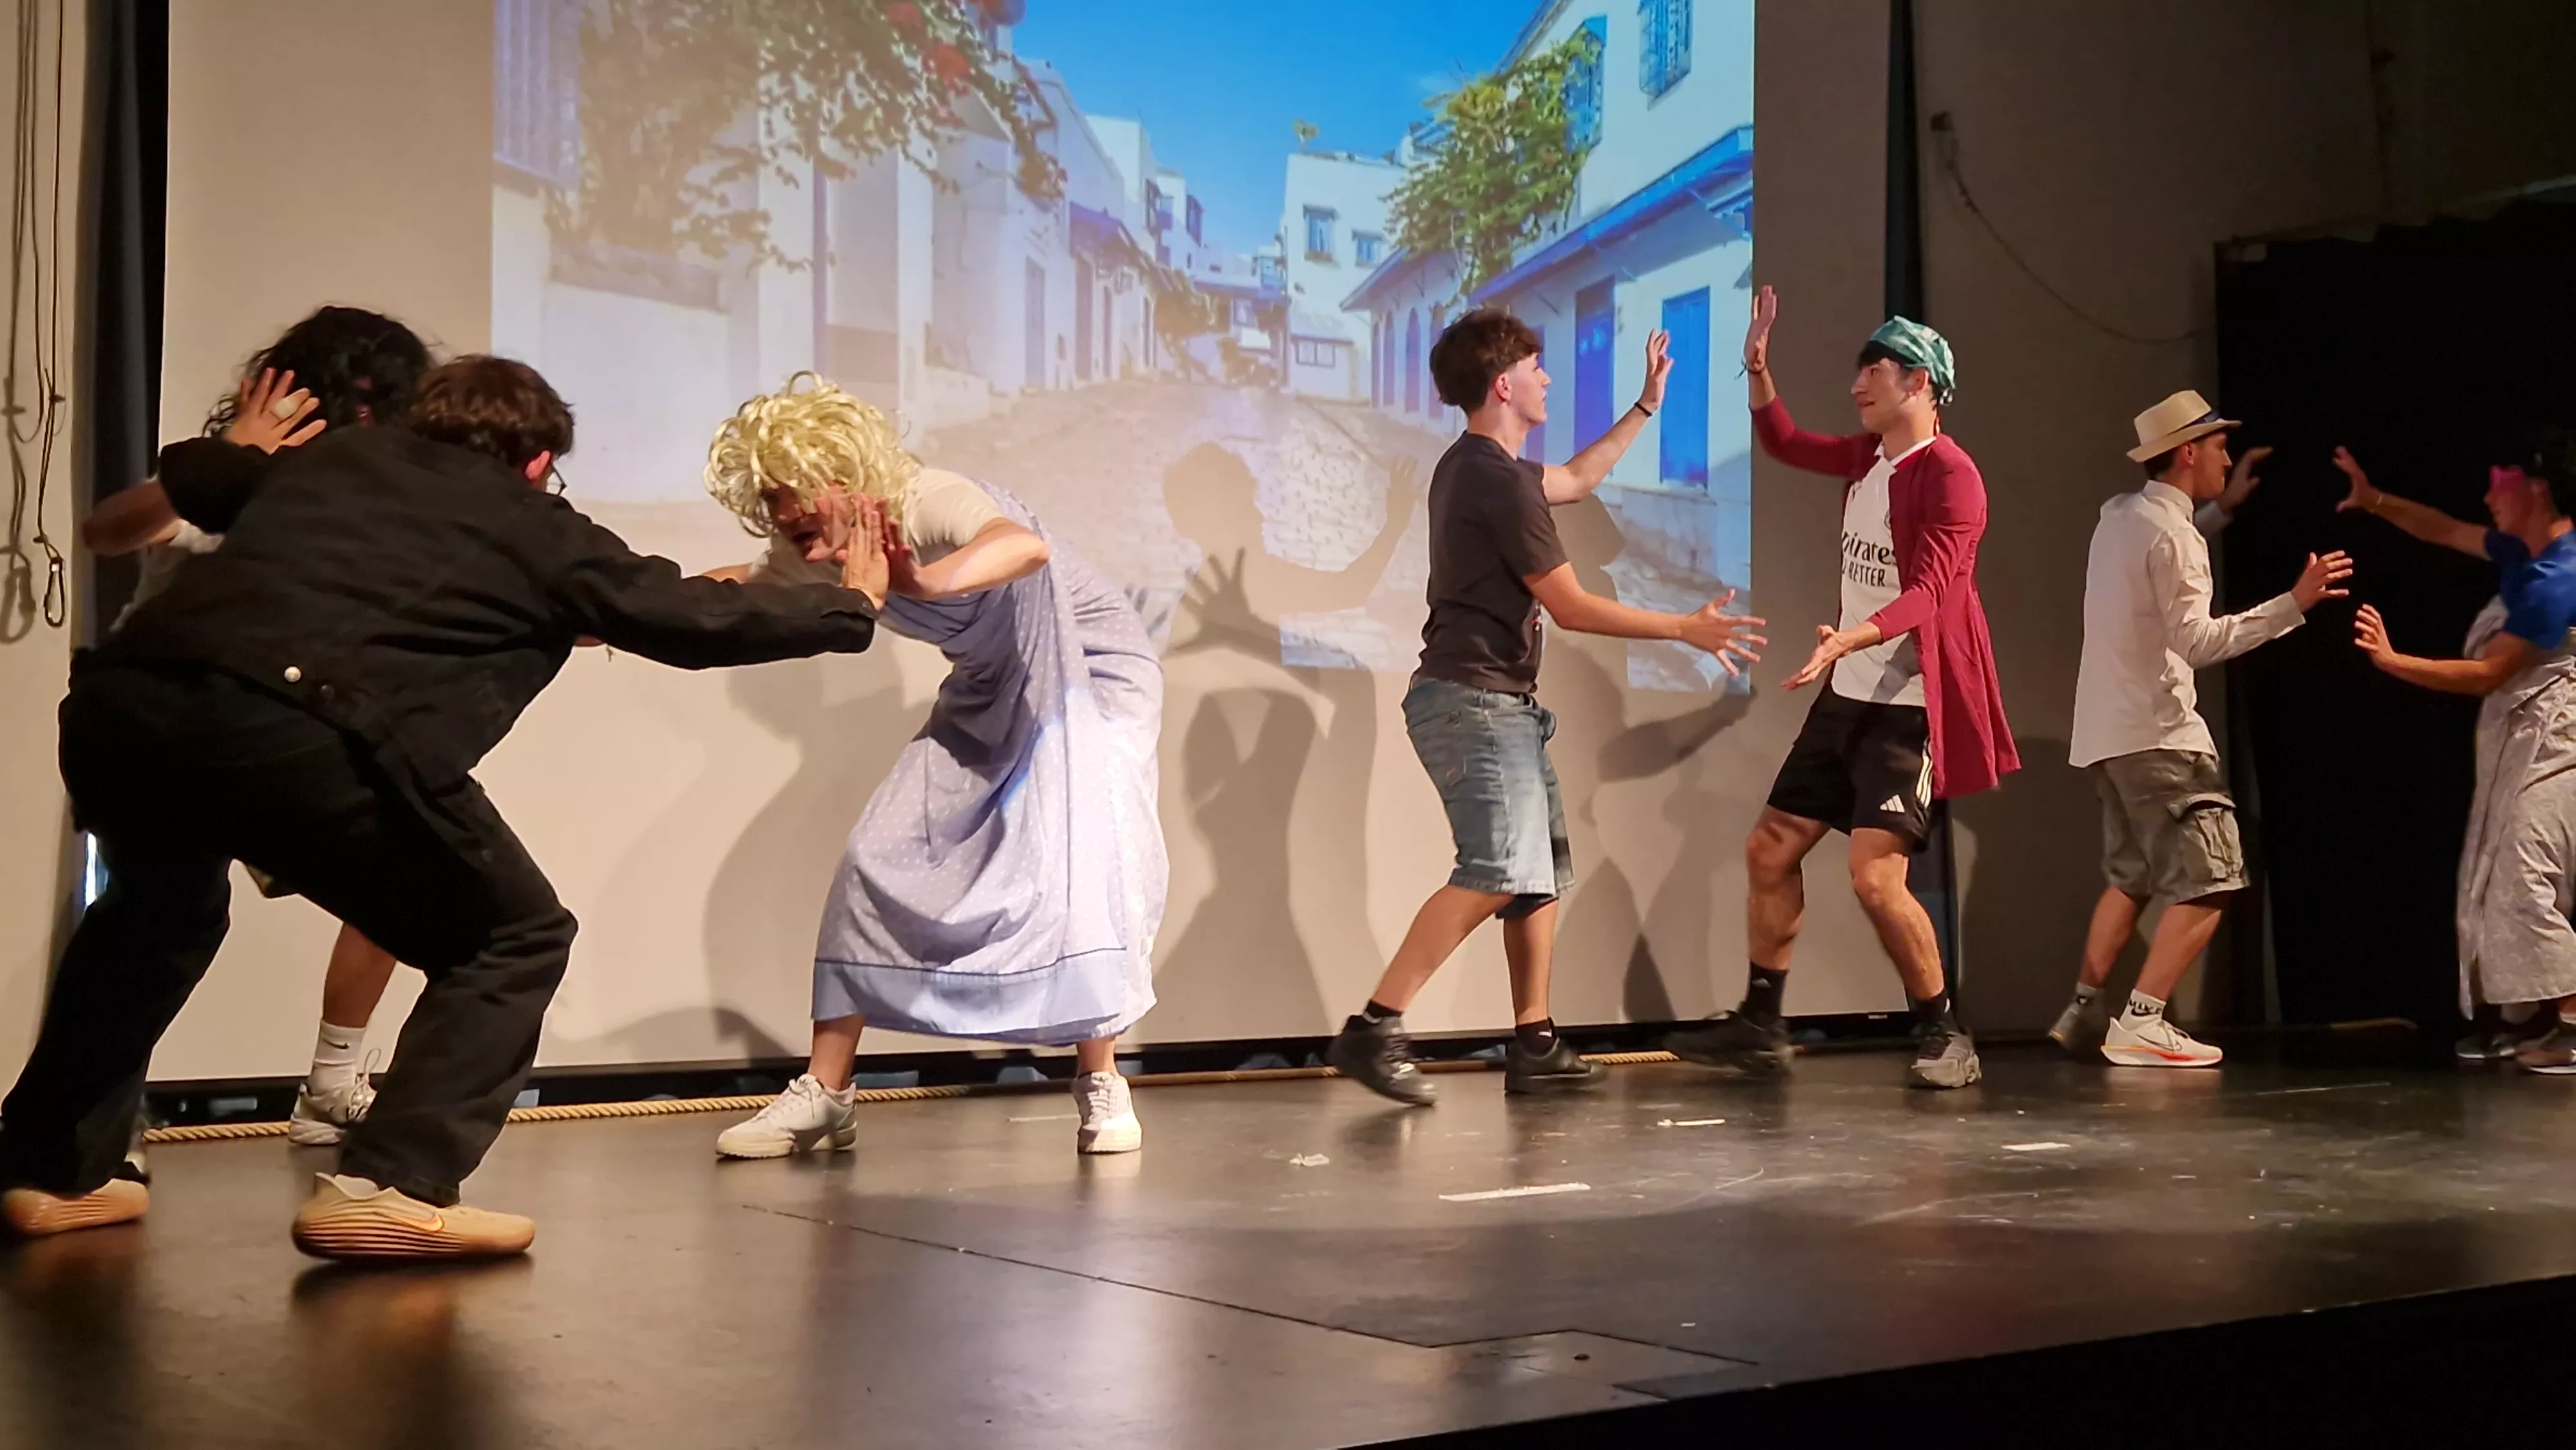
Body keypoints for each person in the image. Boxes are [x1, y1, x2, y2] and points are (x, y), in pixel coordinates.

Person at [0, 356, 894, 1259]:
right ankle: (391, 1182)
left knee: (153, 915)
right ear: (539, 462)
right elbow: (682, 623)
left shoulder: (330, 466)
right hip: (292, 724)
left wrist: (235, 445)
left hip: (125, 713)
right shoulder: (535, 524)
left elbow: (197, 485)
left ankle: (46, 1170)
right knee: (511, 934)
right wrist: (848, 608)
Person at [703, 376, 1166, 1158]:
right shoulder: (818, 548)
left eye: (805, 521)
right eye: (785, 526)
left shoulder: (923, 498)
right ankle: (827, 1091)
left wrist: (921, 581)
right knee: (872, 857)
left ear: (842, 482)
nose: (800, 543)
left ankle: (1101, 1078)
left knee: (1078, 857)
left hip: (1085, 676)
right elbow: (738, 586)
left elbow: (1022, 546)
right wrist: (596, 610)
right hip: (989, 682)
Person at [1325, 308, 1765, 1106]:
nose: (1549, 377)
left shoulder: (1481, 466)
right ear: (1504, 384)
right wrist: (1685, 627)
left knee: (1536, 878)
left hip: (1497, 704)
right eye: (1537, 366)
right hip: (1474, 702)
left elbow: (1578, 478)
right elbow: (1570, 604)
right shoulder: (1493, 480)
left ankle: (1535, 1042)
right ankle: (1375, 1026)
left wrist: (1646, 404)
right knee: (1497, 867)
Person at [82, 306, 433, 1151]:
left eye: (371, 406)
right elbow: (106, 531)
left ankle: (333, 1084)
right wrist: (232, 453)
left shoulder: (362, 501)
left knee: (409, 877)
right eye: (334, 400)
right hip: (166, 736)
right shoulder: (224, 478)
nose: (348, 422)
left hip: (276, 742)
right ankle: (95, 1128)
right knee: (163, 920)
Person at [1667, 287, 2016, 1091]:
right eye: (1860, 368)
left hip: (1908, 705)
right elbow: (1785, 441)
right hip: (1847, 691)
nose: (1860, 382)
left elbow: (1932, 591)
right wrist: (1756, 369)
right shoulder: (1868, 458)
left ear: (1921, 384)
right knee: (1771, 846)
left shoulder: (1953, 478)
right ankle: (1761, 1022)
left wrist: (1855, 635)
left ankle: (1942, 1028)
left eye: (1879, 369)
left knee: (1873, 877)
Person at [2049, 391, 2351, 1066]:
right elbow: (2197, 641)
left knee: (2131, 874)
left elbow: (2163, 550)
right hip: (2161, 736)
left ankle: (2081, 1006)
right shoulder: (2173, 534)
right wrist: (2291, 604)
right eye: (2217, 445)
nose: (2224, 454)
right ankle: (2141, 1020)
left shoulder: (2119, 516)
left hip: (2108, 736)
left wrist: (2224, 507)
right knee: (2214, 878)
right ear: (2188, 451)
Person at [2341, 431, 2576, 1071]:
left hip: (2559, 744)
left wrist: (2392, 662)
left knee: (2528, 873)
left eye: (2497, 482)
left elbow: (2487, 674)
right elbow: (2447, 530)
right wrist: (2376, 500)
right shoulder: (2525, 554)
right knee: (2494, 876)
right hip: (2520, 740)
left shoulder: (2559, 575)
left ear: (2535, 486)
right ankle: (2525, 1014)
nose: (2485, 497)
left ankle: (2572, 1021)